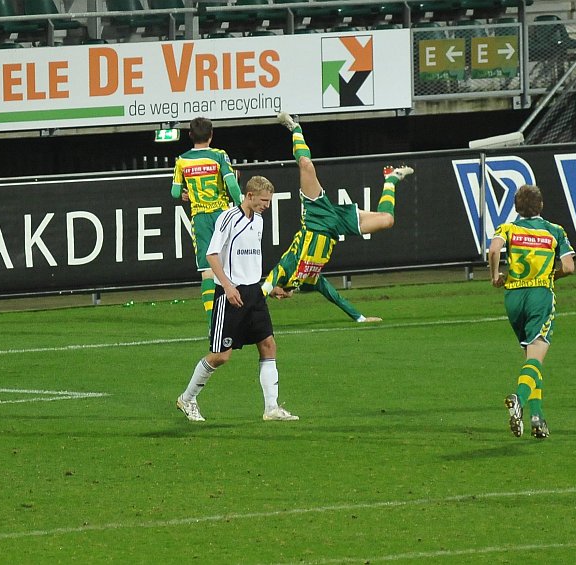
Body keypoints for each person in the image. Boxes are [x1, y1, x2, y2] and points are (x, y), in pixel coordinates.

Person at [176, 175, 299, 422]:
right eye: (264, 200)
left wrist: (268, 286)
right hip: (230, 296)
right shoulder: (228, 218)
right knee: (221, 355)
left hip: (253, 293)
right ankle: (187, 398)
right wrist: (229, 287)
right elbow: (211, 255)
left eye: (269, 201)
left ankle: (271, 408)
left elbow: (251, 259)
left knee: (268, 345)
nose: (267, 205)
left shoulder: (260, 221)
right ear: (249, 196)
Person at [262, 112, 413, 307]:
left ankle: (295, 128)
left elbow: (262, 291)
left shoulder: (280, 273)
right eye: (280, 296)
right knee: (387, 220)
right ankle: (391, 178)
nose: (280, 295)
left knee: (306, 165)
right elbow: (330, 294)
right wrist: (359, 317)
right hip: (336, 225)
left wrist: (264, 296)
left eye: (278, 295)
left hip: (317, 214)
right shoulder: (304, 284)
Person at [488, 184, 575, 440]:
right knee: (536, 356)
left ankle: (538, 418)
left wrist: (495, 276)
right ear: (542, 206)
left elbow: (494, 250)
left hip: (513, 297)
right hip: (539, 295)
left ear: (516, 208)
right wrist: (552, 276)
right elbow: (569, 267)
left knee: (531, 357)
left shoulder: (509, 228)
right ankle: (520, 399)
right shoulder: (554, 231)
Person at [171, 117, 243, 329]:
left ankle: (213, 322)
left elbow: (175, 192)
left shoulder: (182, 160)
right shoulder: (219, 155)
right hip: (222, 214)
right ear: (211, 135)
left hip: (200, 217)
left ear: (190, 135)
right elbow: (232, 185)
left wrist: (187, 193)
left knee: (207, 269)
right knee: (230, 263)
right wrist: (241, 206)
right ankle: (236, 314)